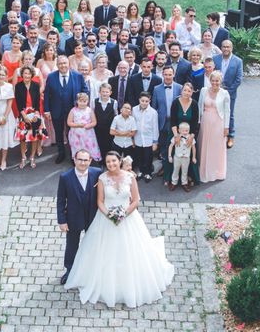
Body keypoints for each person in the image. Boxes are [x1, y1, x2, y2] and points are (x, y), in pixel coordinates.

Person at [64, 151, 175, 307]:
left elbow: (136, 200)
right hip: (106, 219)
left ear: (119, 161)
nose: (111, 164)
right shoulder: (102, 178)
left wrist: (124, 214)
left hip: (129, 218)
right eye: (108, 162)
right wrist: (109, 215)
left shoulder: (130, 177)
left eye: (114, 161)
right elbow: (100, 202)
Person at [56, 149, 102, 285]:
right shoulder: (65, 177)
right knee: (72, 245)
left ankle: (91, 269)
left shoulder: (97, 173)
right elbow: (60, 200)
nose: (82, 162)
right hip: (73, 217)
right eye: (80, 159)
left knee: (93, 243)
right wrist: (62, 221)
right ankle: (70, 270)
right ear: (75, 160)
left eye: (85, 160)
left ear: (90, 161)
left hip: (92, 216)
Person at [44, 55, 88, 164]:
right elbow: (47, 94)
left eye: (65, 63)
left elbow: (85, 90)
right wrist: (47, 110)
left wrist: (81, 105)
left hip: (73, 111)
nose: (63, 65)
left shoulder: (78, 76)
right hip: (56, 110)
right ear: (57, 65)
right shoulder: (51, 77)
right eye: (60, 63)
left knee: (73, 134)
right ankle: (61, 153)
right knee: (58, 133)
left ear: (69, 64)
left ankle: (74, 156)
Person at [197, 71, 230, 182]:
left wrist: (226, 127)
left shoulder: (224, 93)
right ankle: (204, 170)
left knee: (216, 148)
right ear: (210, 80)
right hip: (205, 122)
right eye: (213, 80)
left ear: (220, 81)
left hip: (218, 123)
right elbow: (199, 106)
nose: (215, 83)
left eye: (217, 80)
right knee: (204, 146)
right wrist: (198, 122)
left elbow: (227, 111)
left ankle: (216, 172)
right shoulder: (204, 90)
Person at [15, 65, 47, 169]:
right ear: (22, 74)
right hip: (23, 113)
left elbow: (37, 102)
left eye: (29, 73)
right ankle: (23, 157)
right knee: (23, 138)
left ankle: (32, 157)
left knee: (35, 137)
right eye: (25, 73)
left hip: (35, 113)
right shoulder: (18, 86)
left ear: (32, 74)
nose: (27, 75)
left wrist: (36, 114)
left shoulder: (36, 85)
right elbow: (18, 103)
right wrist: (24, 116)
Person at [168, 82, 200, 186]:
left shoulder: (194, 104)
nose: (186, 93)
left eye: (189, 91)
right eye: (185, 90)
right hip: (175, 132)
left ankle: (187, 179)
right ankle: (171, 180)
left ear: (192, 92)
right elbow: (172, 120)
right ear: (181, 91)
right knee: (175, 154)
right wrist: (176, 135)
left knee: (188, 154)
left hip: (189, 134)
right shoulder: (175, 102)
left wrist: (191, 136)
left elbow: (195, 123)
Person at [152, 66, 182, 176]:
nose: (168, 77)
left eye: (170, 74)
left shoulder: (179, 88)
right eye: (166, 74)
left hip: (175, 123)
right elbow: (154, 108)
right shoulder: (156, 89)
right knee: (164, 146)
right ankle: (165, 168)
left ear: (173, 75)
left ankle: (176, 169)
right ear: (162, 75)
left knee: (175, 145)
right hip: (162, 122)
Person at [213, 40, 243, 149]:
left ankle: (231, 136)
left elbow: (239, 79)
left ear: (232, 48)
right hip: (215, 90)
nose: (226, 49)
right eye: (224, 46)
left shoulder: (238, 61)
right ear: (221, 47)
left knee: (229, 114)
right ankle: (217, 135)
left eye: (228, 47)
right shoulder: (215, 59)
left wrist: (227, 92)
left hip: (230, 93)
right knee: (216, 112)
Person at [132, 92, 159, 182]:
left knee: (148, 157)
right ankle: (140, 171)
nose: (144, 103)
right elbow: (132, 123)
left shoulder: (153, 112)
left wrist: (155, 142)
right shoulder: (134, 110)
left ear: (149, 101)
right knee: (139, 156)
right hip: (138, 137)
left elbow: (155, 127)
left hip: (148, 139)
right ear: (139, 100)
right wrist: (132, 138)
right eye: (142, 101)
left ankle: (148, 173)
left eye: (146, 101)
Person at [67, 92, 102, 163]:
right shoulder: (73, 110)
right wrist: (78, 125)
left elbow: (94, 122)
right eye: (80, 101)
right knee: (77, 148)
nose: (82, 103)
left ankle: (91, 160)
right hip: (76, 135)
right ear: (77, 101)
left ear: (87, 101)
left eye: (84, 101)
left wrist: (89, 125)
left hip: (88, 134)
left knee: (89, 147)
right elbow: (69, 122)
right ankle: (77, 160)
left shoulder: (89, 110)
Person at [168, 122, 197, 192]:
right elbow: (171, 146)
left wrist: (194, 157)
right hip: (177, 157)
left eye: (187, 130)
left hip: (186, 158)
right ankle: (174, 183)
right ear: (179, 130)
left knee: (185, 171)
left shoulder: (190, 138)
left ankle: (184, 183)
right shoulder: (176, 137)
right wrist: (169, 156)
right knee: (175, 170)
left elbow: (193, 148)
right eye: (183, 130)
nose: (185, 132)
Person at [94, 83, 118, 159]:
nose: (105, 93)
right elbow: (93, 113)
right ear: (100, 92)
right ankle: (101, 159)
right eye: (103, 91)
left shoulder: (114, 102)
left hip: (109, 128)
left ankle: (108, 159)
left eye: (107, 92)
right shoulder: (95, 101)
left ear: (110, 93)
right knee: (100, 143)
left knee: (109, 144)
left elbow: (116, 114)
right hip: (98, 128)